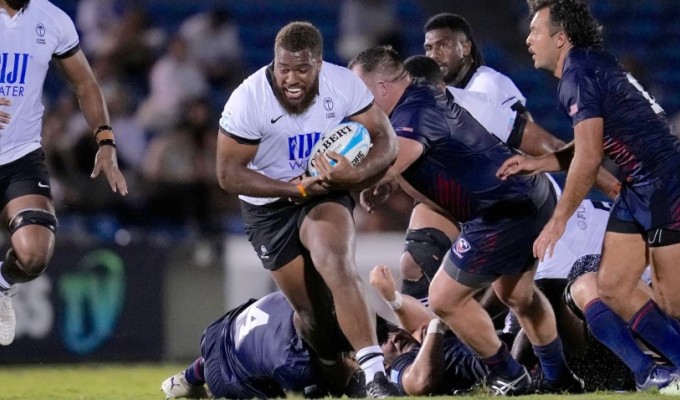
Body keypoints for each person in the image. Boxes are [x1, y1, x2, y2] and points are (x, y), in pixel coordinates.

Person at [349, 45, 583, 395]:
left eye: (359, 93)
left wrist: (334, 178)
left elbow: (394, 158)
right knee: (517, 294)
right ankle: (559, 378)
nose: (355, 104)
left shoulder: (411, 114)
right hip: (528, 196)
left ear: (381, 89)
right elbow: (421, 157)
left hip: (503, 212)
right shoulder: (419, 95)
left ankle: (510, 376)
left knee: (443, 297)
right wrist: (389, 182)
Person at [497, 1, 680, 393]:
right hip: (640, 185)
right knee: (612, 287)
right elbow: (586, 145)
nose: (528, 39)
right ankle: (661, 373)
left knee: (671, 301)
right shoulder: (587, 66)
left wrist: (557, 221)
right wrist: (541, 162)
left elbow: (590, 156)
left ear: (560, 38)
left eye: (536, 32)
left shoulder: (578, 75)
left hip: (665, 183)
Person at [215, 21, 399, 397]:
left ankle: (374, 373)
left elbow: (386, 140)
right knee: (312, 316)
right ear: (274, 62)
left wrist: (357, 173)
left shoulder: (342, 84)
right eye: (284, 68)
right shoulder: (249, 99)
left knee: (335, 260)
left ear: (318, 63)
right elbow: (228, 173)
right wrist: (293, 188)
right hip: (269, 207)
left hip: (324, 192)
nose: (291, 79)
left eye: (302, 69)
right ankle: (333, 373)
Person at [0, 0, 128, 346]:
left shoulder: (52, 19)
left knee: (34, 254)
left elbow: (85, 82)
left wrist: (105, 140)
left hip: (19, 156)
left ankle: (1, 285)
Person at [161, 291, 363, 400]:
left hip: (220, 329)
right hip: (224, 375)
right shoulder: (297, 365)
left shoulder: (308, 296)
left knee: (256, 349)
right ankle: (196, 378)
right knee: (269, 386)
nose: (352, 357)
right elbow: (333, 386)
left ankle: (188, 378)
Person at [369, 265, 489, 396]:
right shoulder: (398, 369)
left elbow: (422, 321)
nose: (394, 337)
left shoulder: (420, 341)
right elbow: (421, 383)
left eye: (392, 330)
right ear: (382, 364)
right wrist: (438, 325)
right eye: (383, 340)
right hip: (494, 368)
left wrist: (392, 298)